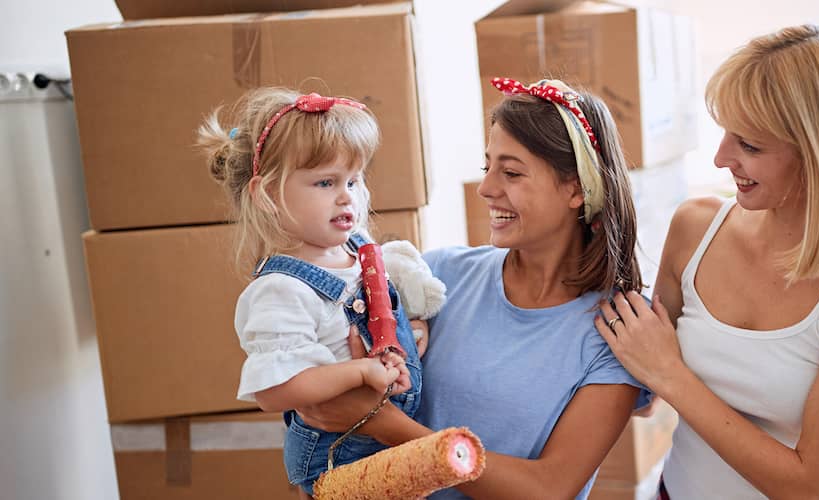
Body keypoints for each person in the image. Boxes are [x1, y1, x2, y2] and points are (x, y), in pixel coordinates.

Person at [594, 25, 819, 499]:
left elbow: (810, 487)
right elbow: (640, 393)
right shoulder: (695, 228)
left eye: (749, 145)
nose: (721, 158)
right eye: (726, 132)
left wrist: (670, 373)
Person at [294, 78, 649, 499]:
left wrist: (383, 423)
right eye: (488, 167)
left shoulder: (617, 331)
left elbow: (549, 488)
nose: (486, 189)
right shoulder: (438, 275)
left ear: (576, 188)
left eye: (512, 172)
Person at [198, 87, 446, 499]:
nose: (347, 195)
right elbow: (276, 389)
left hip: (385, 440)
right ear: (269, 194)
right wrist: (360, 372)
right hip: (339, 454)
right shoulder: (282, 289)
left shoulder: (359, 251)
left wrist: (413, 328)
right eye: (325, 182)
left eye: (354, 178)